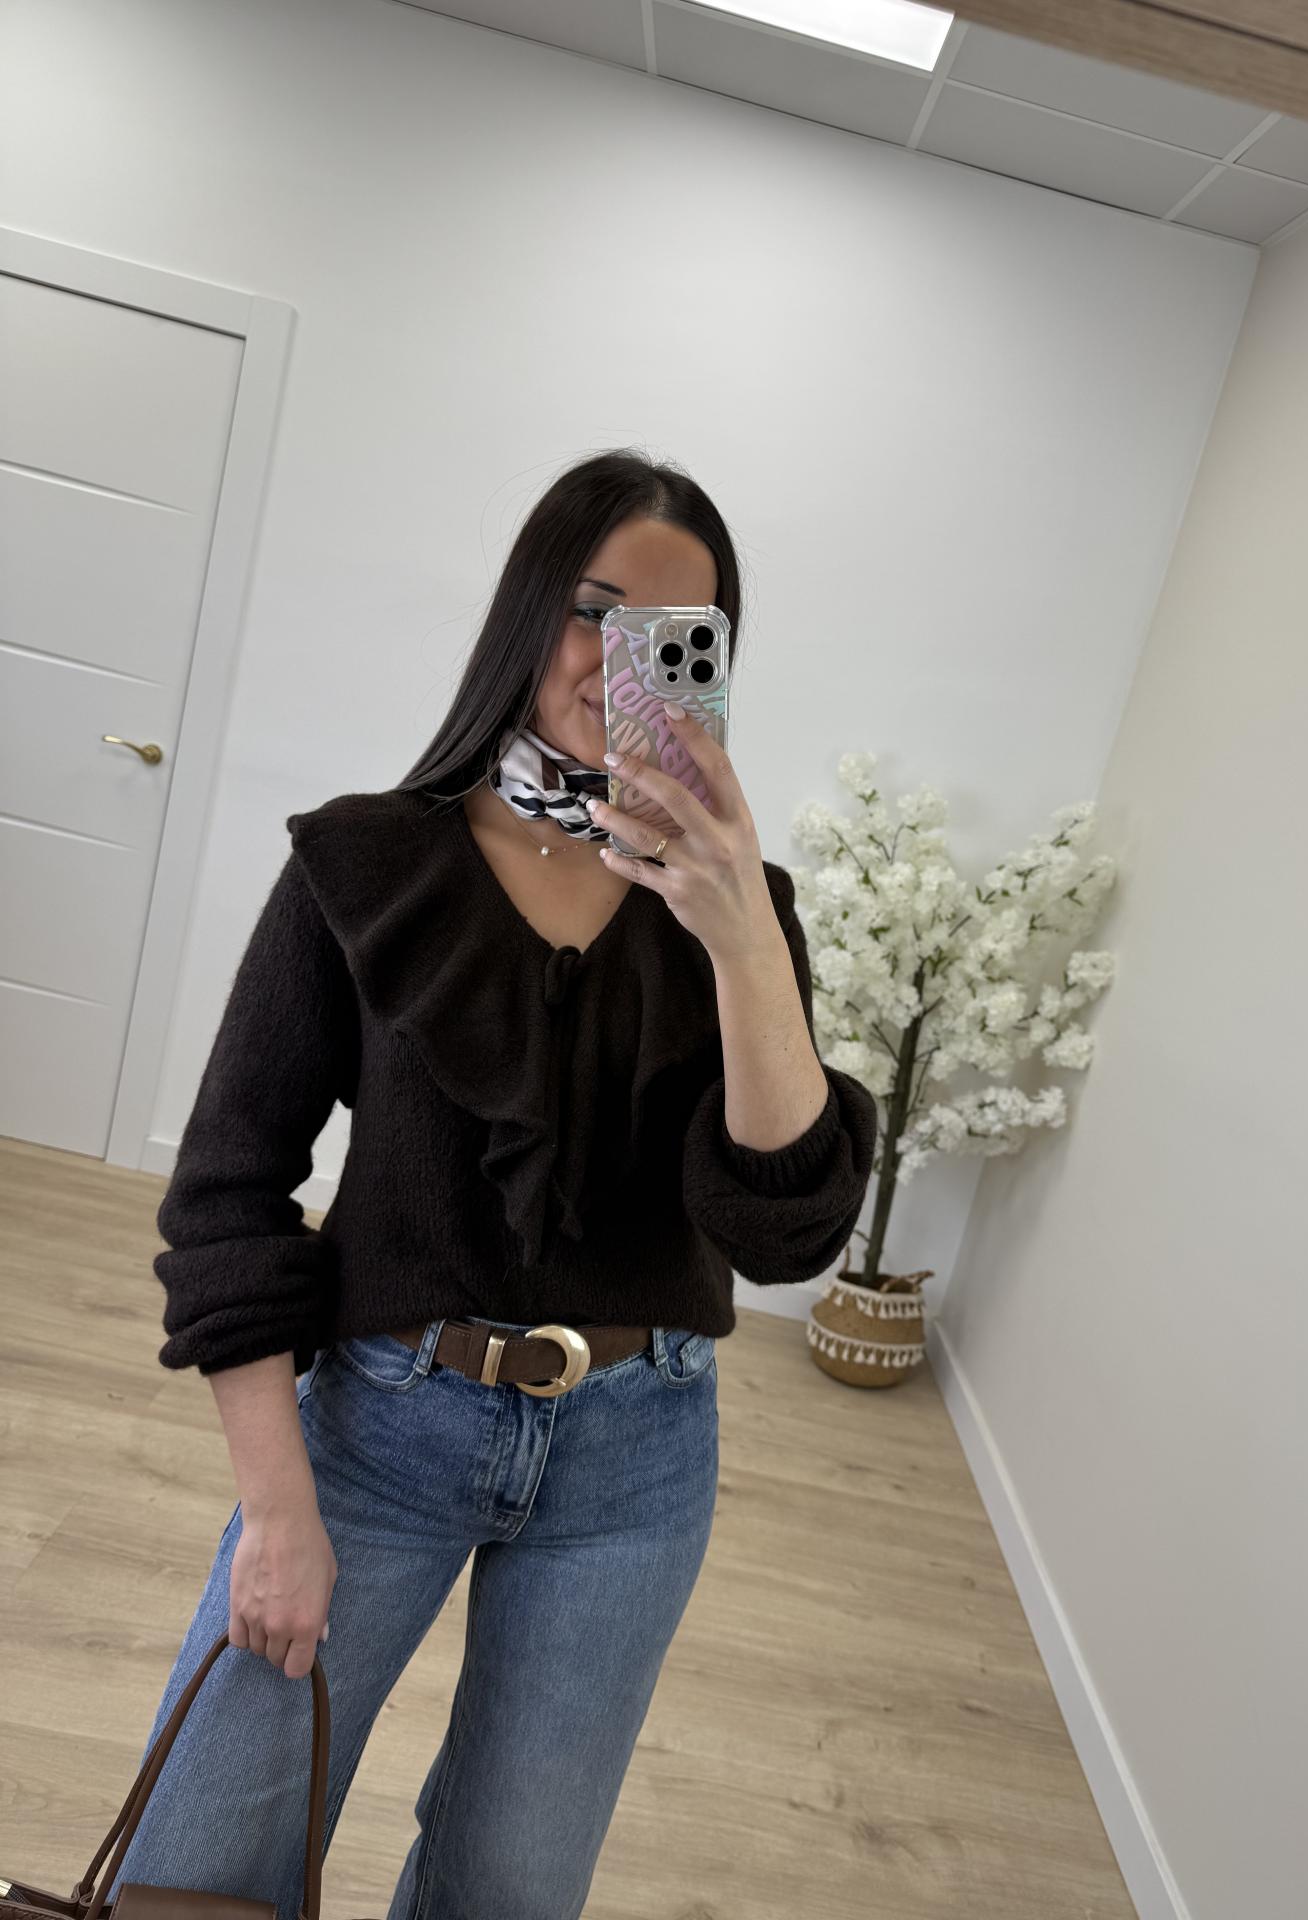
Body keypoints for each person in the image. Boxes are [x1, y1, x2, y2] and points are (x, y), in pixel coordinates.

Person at [109, 449, 878, 1920]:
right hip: (378, 1429)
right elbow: (226, 1193)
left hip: (636, 1460)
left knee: (511, 1891)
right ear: (528, 612)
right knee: (200, 1863)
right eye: (595, 612)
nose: (620, 662)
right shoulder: (365, 865)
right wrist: (274, 1511)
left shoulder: (742, 913)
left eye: (679, 636)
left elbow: (787, 1226)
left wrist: (737, 935)